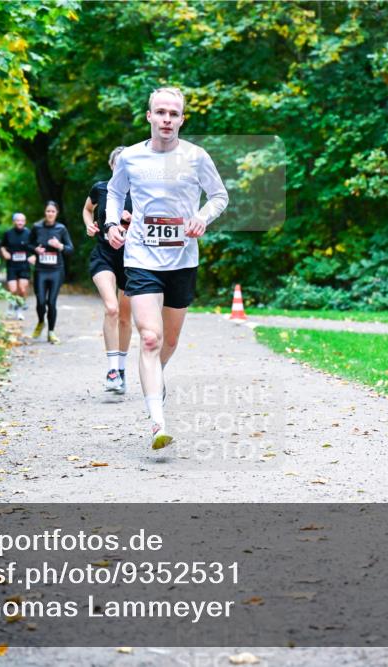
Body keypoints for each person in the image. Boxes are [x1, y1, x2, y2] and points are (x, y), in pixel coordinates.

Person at [105, 87, 228, 449]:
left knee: (169, 341)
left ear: (182, 119)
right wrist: (112, 223)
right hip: (141, 258)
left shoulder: (196, 157)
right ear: (149, 116)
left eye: (174, 114)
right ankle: (158, 423)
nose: (167, 119)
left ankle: (154, 377)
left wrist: (202, 217)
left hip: (182, 260)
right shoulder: (131, 157)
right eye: (161, 112)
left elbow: (219, 196)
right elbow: (114, 192)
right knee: (150, 338)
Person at [83, 146, 134, 394]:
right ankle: (112, 370)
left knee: (125, 316)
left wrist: (133, 221)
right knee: (111, 308)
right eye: (118, 163)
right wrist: (89, 225)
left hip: (132, 259)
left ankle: (121, 369)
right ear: (112, 165)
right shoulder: (100, 188)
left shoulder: (141, 191)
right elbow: (87, 209)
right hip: (103, 255)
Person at [30, 201, 73, 344]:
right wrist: (35, 250)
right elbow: (28, 244)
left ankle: (51, 332)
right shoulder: (37, 227)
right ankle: (41, 321)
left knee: (51, 302)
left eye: (53, 211)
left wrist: (59, 245)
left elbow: (70, 249)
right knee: (41, 302)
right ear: (45, 212)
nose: (50, 214)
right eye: (48, 211)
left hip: (56, 270)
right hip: (40, 270)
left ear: (57, 213)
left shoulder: (61, 228)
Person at [0, 213, 35, 320]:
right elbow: (2, 246)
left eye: (22, 220)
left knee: (22, 290)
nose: (20, 222)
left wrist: (34, 256)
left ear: (25, 222)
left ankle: (19, 310)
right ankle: (11, 306)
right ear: (14, 222)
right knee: (13, 289)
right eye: (18, 220)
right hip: (12, 266)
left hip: (24, 265)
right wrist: (4, 252)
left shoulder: (29, 233)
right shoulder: (8, 233)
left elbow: (36, 247)